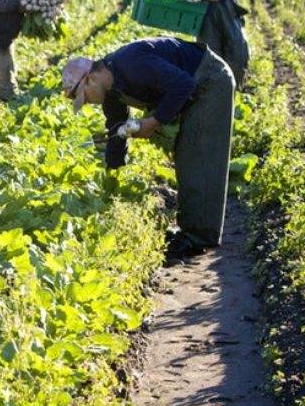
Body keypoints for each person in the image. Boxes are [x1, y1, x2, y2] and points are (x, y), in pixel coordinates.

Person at [62, 37, 235, 264]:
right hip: (191, 85)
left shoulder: (131, 62)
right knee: (185, 156)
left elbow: (183, 84)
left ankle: (199, 238)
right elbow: (116, 129)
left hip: (210, 79)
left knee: (199, 155)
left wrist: (152, 123)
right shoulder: (110, 91)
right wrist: (112, 176)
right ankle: (191, 230)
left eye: (85, 98)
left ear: (91, 79)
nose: (88, 103)